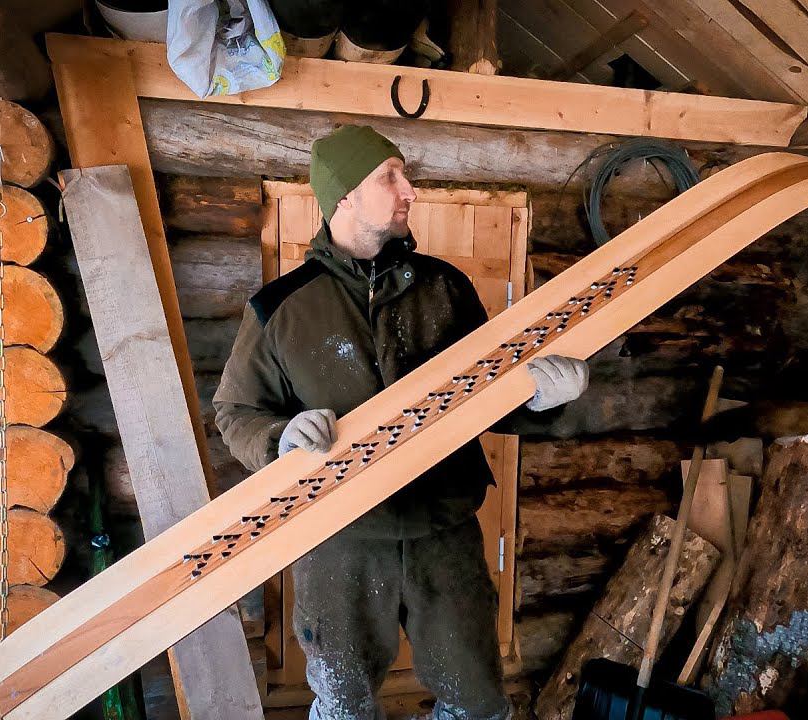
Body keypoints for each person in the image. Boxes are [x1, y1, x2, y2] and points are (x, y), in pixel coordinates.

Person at [214, 125, 589, 720]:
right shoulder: (280, 308)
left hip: (445, 530)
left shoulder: (445, 288)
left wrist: (543, 398)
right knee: (344, 704)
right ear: (344, 196)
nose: (409, 190)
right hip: (340, 537)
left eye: (404, 174)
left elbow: (493, 391)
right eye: (389, 176)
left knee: (477, 700)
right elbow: (236, 412)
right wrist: (278, 439)